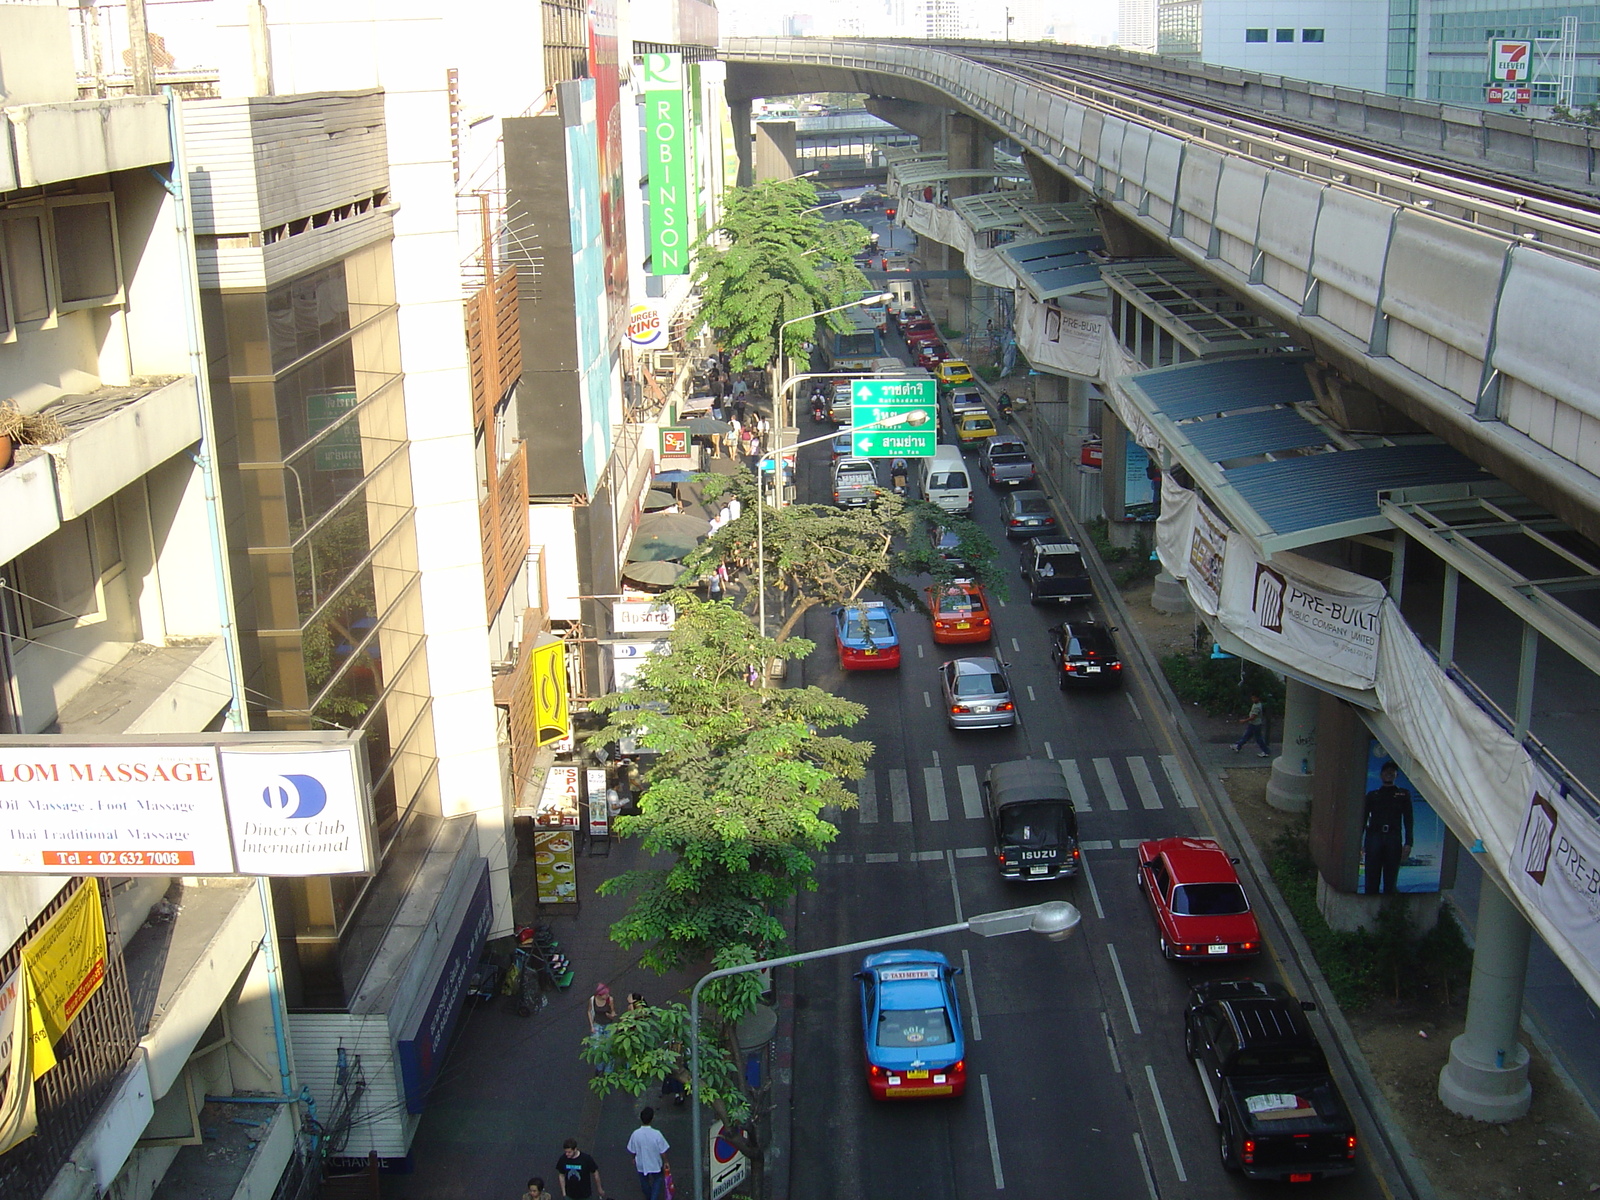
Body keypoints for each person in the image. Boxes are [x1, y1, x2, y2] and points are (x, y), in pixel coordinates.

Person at [1362, 761, 1414, 895]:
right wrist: (1360, 842)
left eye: (1392, 772)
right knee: (1372, 875)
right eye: (1386, 771)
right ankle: (1371, 908)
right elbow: (1363, 819)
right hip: (1374, 836)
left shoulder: (1403, 794)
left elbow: (1408, 819)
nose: (1389, 774)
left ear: (1396, 775)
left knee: (1391, 876)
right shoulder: (1373, 795)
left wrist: (1408, 843)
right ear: (1381, 775)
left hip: (1393, 837)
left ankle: (1388, 909)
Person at [626, 1107, 671, 1200]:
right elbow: (663, 1151)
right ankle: (653, 1198)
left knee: (644, 1182)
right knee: (657, 1180)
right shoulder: (657, 1134)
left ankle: (649, 1196)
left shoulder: (635, 1134)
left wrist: (633, 1158)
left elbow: (632, 1150)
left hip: (641, 1164)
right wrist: (666, 1162)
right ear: (652, 1119)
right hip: (655, 1164)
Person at [588, 983, 618, 1072]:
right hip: (597, 1024)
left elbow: (613, 1013)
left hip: (608, 1025)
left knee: (609, 1048)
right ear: (599, 995)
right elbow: (589, 1011)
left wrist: (610, 1015)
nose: (607, 996)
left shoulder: (610, 1000)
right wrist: (591, 1025)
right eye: (605, 994)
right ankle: (599, 1067)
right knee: (597, 1048)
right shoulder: (592, 1000)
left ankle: (608, 1070)